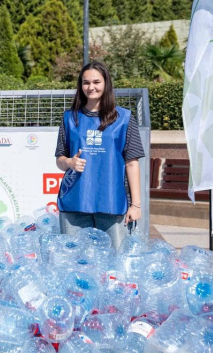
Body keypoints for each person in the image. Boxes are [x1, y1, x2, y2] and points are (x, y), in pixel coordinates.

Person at [55, 61, 145, 249]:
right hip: (75, 201)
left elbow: (132, 163)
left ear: (106, 83)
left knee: (114, 263)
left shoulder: (124, 118)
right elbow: (60, 160)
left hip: (112, 201)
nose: (91, 87)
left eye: (96, 82)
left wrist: (135, 205)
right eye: (86, 83)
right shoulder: (69, 118)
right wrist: (69, 162)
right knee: (74, 262)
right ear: (81, 85)